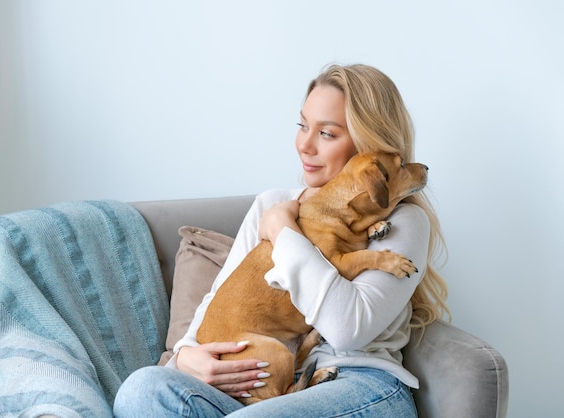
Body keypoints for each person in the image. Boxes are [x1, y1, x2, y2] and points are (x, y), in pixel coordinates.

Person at [113, 63, 450, 417]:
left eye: (327, 134)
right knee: (140, 390)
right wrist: (186, 357)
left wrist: (282, 232)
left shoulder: (402, 219)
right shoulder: (272, 203)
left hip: (360, 383)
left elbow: (348, 329)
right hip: (258, 386)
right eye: (303, 125)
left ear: (368, 148)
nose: (304, 145)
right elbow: (222, 296)